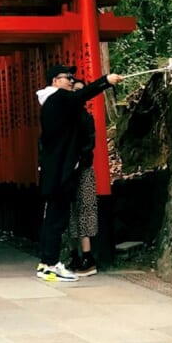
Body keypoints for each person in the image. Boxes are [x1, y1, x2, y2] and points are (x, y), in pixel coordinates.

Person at [35, 65, 122, 282]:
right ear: (55, 80)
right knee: (57, 220)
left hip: (55, 171)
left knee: (53, 219)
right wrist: (106, 81)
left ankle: (46, 263)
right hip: (60, 173)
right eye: (68, 78)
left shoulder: (53, 103)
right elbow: (83, 94)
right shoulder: (58, 98)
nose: (72, 81)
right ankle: (51, 265)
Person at [66, 79, 99, 277]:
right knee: (68, 212)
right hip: (66, 171)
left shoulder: (86, 118)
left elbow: (89, 143)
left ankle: (87, 255)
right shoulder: (62, 117)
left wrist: (78, 159)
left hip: (83, 168)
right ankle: (74, 254)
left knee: (85, 209)